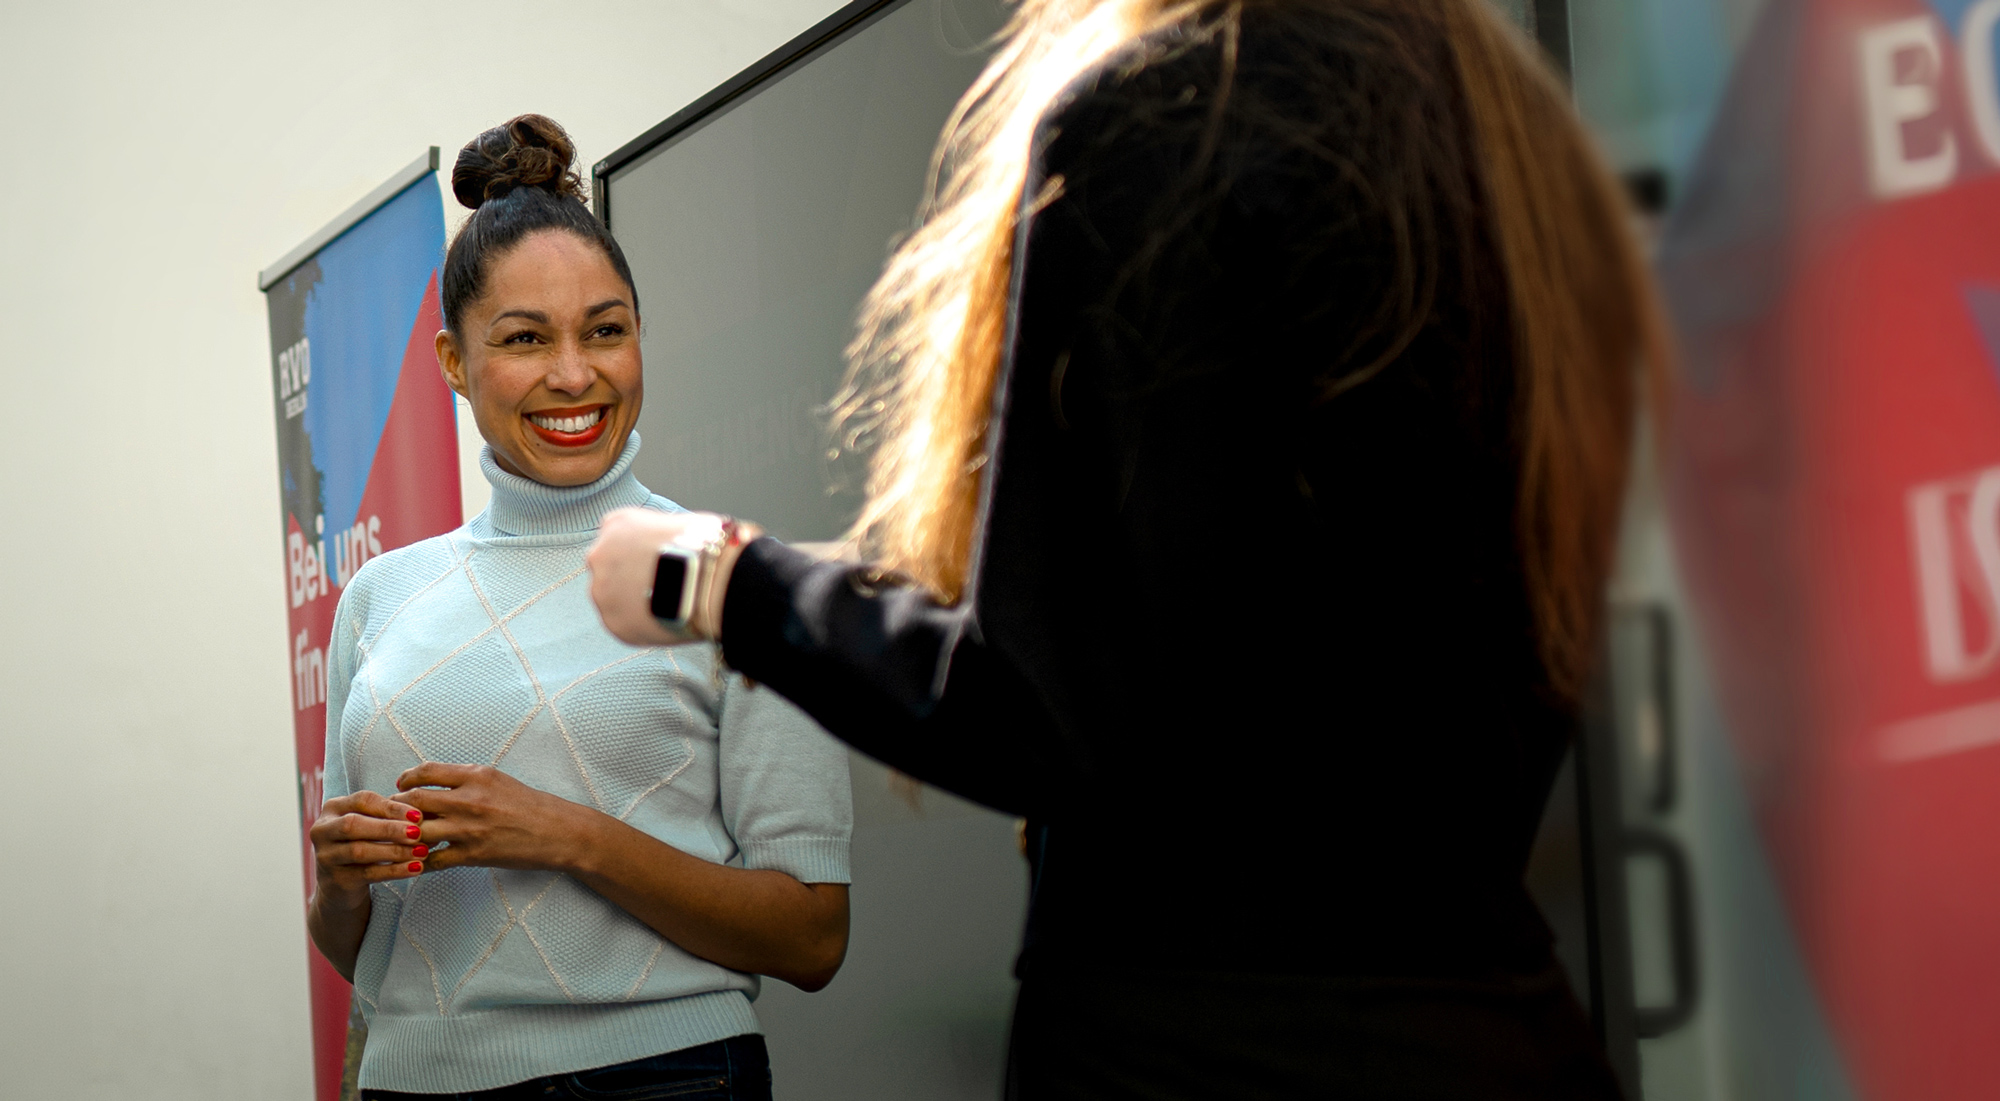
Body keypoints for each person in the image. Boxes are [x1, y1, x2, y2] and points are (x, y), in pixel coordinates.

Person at [589, 0, 1665, 1096]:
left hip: (1199, 1047)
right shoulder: (1509, 142)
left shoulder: (1167, 113)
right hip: (1501, 1034)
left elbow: (1051, 712)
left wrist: (718, 579)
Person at [307, 115, 853, 1101]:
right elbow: (357, 949)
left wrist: (565, 833)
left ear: (639, 336)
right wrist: (342, 884)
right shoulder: (381, 594)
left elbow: (811, 935)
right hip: (413, 1081)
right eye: (523, 339)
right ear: (450, 362)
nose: (573, 374)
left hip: (661, 1080)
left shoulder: (735, 575)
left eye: (604, 331)